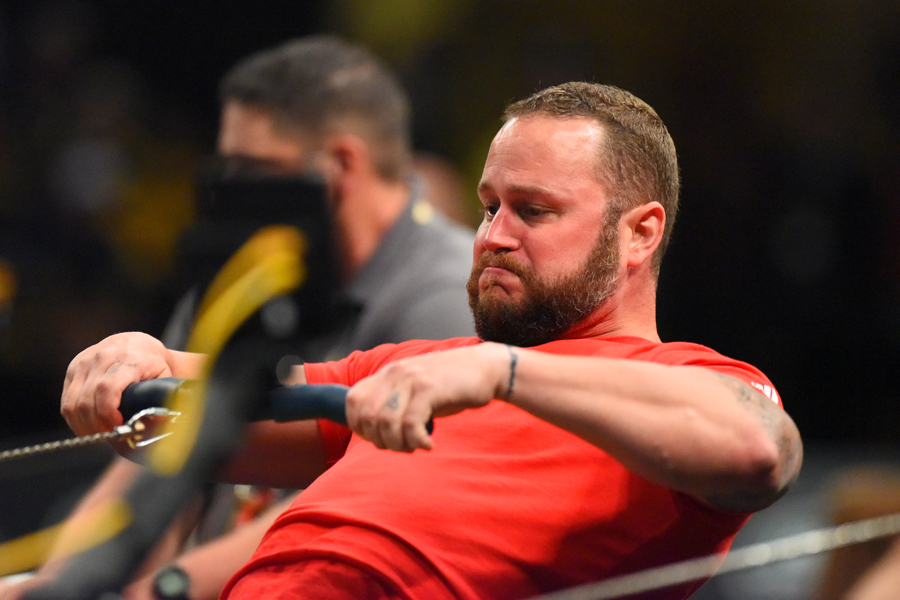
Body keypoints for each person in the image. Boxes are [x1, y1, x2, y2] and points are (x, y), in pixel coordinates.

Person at [57, 81, 803, 600]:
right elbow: (197, 415)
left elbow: (758, 450)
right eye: (488, 207)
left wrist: (500, 373)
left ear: (640, 233)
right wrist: (132, 356)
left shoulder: (684, 377)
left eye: (534, 211)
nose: (493, 237)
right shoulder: (420, 368)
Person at [2, 36, 475, 600]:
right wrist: (56, 588)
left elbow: (353, 504)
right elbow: (162, 461)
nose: (233, 193)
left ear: (339, 166)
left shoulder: (452, 299)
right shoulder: (251, 269)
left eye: (253, 169)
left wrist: (155, 593)